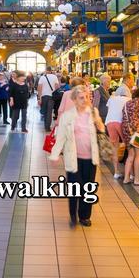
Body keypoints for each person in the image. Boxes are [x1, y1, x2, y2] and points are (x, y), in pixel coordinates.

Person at [49, 84, 105, 227]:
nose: (85, 100)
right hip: (73, 158)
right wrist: (55, 155)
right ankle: (73, 214)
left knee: (89, 187)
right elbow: (60, 137)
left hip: (90, 158)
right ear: (74, 100)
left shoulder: (93, 112)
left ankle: (85, 216)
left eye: (87, 97)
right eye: (81, 97)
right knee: (75, 187)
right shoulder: (67, 116)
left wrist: (98, 123)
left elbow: (101, 129)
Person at [122, 88, 139, 186]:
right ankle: (137, 179)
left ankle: (126, 178)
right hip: (136, 131)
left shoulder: (127, 103)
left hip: (126, 130)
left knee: (130, 155)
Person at [103, 86, 128, 180]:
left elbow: (109, 109)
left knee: (114, 147)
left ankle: (116, 172)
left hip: (109, 122)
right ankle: (130, 173)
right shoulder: (128, 99)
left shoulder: (112, 98)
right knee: (129, 146)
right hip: (121, 122)